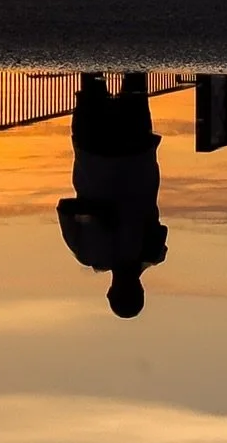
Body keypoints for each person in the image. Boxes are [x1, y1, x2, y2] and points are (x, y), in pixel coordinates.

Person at [56, 72, 168, 317]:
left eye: (122, 292)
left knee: (104, 79)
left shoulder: (89, 255)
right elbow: (65, 209)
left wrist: (96, 210)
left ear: (111, 291)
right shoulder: (151, 252)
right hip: (125, 151)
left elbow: (64, 208)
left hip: (101, 151)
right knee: (131, 78)